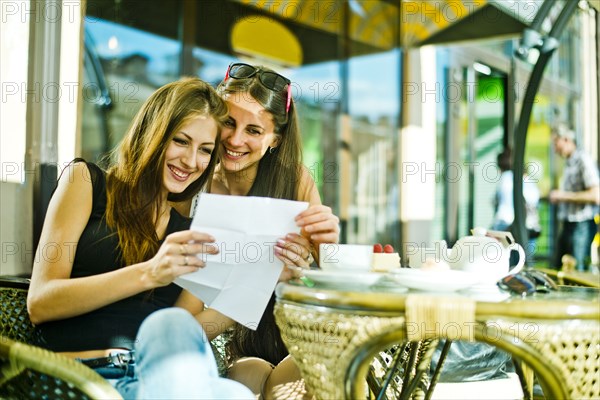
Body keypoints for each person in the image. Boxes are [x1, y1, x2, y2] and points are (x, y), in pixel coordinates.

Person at [27, 77, 253, 399]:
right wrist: (150, 273)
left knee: (182, 337)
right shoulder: (86, 184)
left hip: (161, 375)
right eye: (181, 141)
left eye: (205, 150)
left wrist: (254, 287)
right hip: (83, 377)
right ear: (154, 132)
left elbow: (189, 333)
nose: (191, 162)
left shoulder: (189, 231)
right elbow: (41, 303)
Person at [177, 63, 340, 400]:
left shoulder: (293, 179)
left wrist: (324, 250)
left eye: (253, 130)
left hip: (292, 335)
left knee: (294, 383)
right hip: (222, 342)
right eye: (228, 123)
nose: (235, 140)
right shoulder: (193, 185)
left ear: (275, 139)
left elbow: (328, 279)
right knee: (247, 376)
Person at [549, 123, 600, 271]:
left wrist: (563, 196)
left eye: (555, 143)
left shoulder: (583, 160)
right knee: (559, 268)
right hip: (569, 224)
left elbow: (595, 195)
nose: (555, 149)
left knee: (578, 271)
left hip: (581, 225)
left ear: (565, 139)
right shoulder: (569, 163)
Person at [491, 147, 541, 262]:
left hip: (506, 225)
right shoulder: (527, 179)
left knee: (508, 262)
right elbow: (535, 200)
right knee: (526, 261)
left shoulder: (505, 178)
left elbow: (498, 202)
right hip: (528, 227)